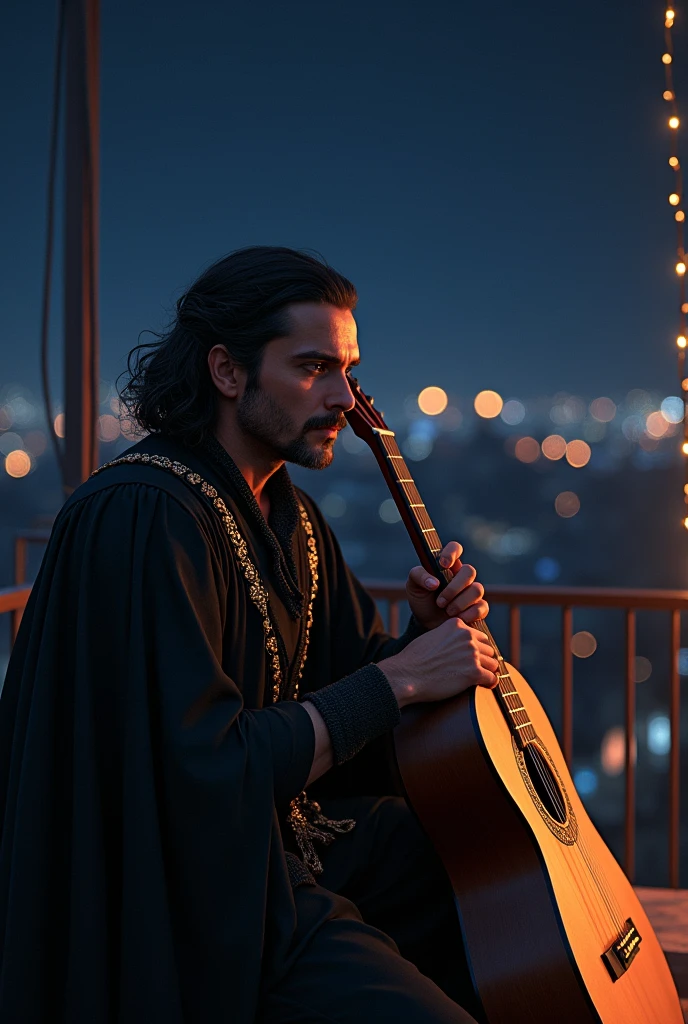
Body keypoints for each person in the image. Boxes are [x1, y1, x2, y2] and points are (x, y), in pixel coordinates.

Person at [0, 246, 500, 1023]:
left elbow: (351, 692)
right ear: (227, 372)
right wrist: (401, 679)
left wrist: (420, 643)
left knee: (474, 877)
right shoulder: (143, 516)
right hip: (202, 895)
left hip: (289, 845)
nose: (347, 397)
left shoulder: (291, 517)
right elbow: (201, 768)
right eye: (313, 369)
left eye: (348, 368)